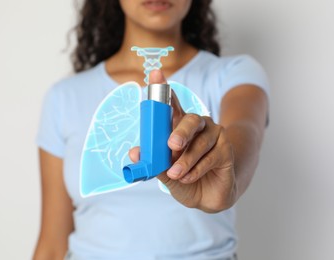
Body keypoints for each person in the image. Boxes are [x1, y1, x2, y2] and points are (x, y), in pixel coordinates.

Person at [33, 0, 269, 259]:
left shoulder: (232, 75)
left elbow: (245, 131)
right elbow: (52, 246)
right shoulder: (65, 96)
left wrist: (229, 176)